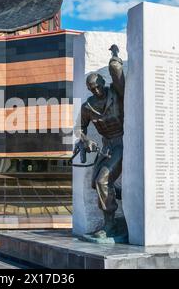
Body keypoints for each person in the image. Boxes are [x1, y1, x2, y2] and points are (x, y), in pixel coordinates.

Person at [75, 44, 125, 238]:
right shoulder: (87, 107)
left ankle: (110, 225)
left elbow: (117, 72)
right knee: (98, 183)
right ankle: (121, 198)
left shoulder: (116, 94)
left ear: (103, 83)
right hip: (107, 147)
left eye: (97, 86)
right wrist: (85, 139)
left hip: (123, 143)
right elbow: (79, 128)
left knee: (102, 181)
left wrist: (114, 56)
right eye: (91, 88)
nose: (95, 90)